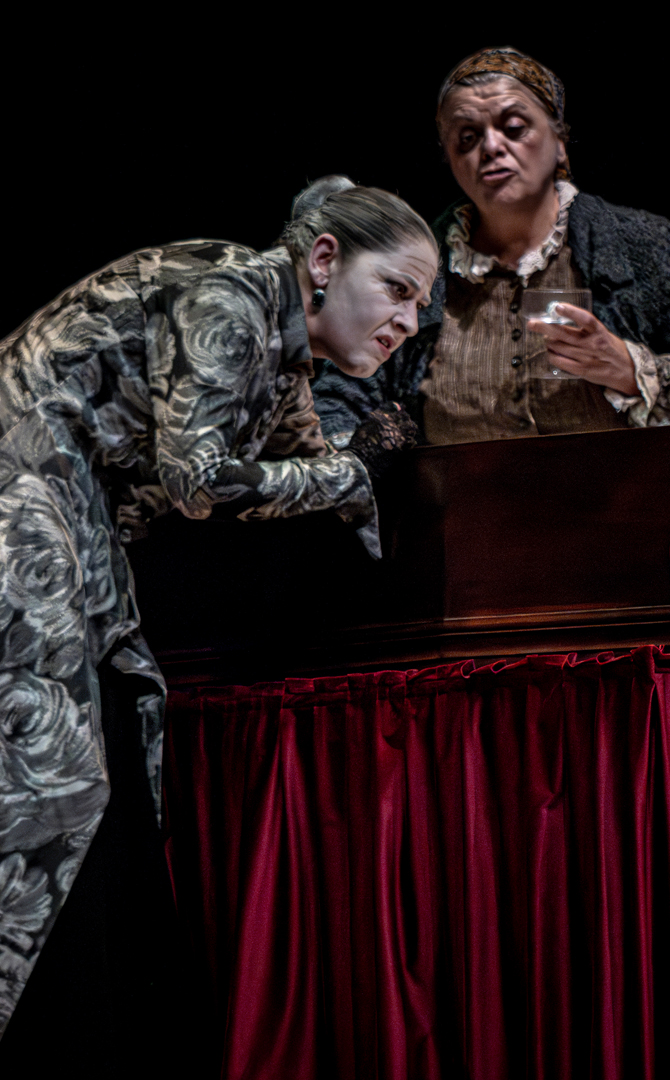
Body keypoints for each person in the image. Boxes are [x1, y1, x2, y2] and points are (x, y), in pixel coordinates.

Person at [0, 183, 436, 1044]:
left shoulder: (285, 359)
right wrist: (353, 469)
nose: (409, 323)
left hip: (75, 513)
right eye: (397, 289)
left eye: (420, 304)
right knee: (56, 780)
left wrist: (361, 479)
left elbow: (323, 481)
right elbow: (201, 483)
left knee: (116, 748)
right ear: (323, 260)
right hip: (22, 496)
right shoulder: (234, 291)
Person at [312, 47, 670, 445]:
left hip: (628, 496)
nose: (491, 147)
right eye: (467, 137)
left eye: (514, 128)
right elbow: (338, 399)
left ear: (559, 142)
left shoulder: (638, 243)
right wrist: (355, 457)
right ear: (450, 159)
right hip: (459, 498)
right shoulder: (409, 270)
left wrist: (632, 371)